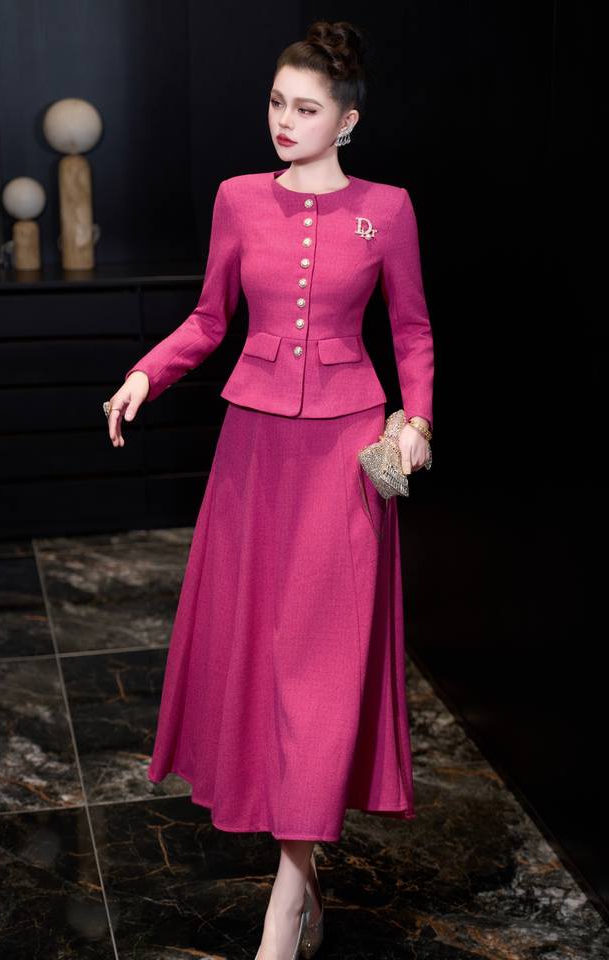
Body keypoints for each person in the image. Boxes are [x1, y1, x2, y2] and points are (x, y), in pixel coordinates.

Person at [105, 19, 434, 960]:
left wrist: (417, 419)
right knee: (261, 659)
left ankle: (285, 907)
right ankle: (306, 883)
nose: (285, 121)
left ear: (348, 121)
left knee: (321, 674)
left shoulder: (389, 210)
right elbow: (210, 318)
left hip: (345, 456)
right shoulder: (237, 198)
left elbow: (412, 332)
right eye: (277, 103)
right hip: (253, 453)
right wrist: (149, 372)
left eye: (306, 108)